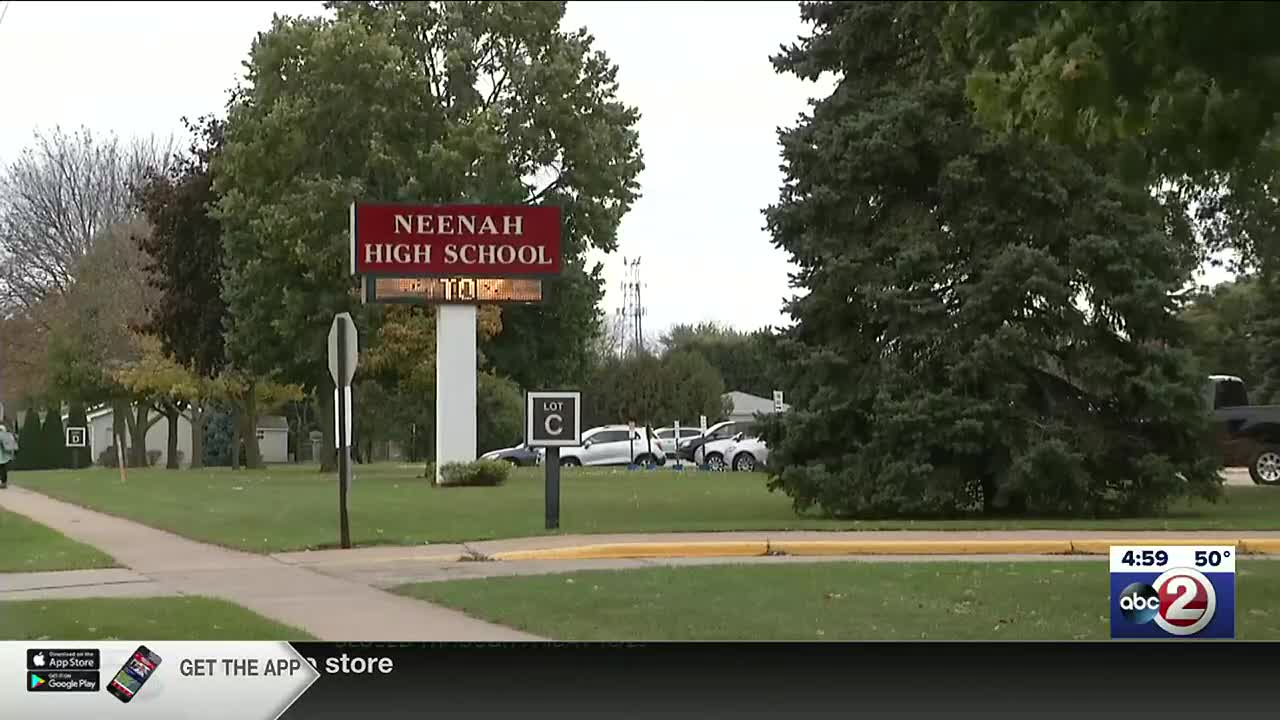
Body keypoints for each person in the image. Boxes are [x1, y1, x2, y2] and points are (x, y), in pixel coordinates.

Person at [0, 422, 18, 489]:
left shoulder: (4, 436)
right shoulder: (8, 435)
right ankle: (3, 483)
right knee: (3, 469)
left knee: (2, 469)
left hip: (3, 457)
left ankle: (3, 483)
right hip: (5, 457)